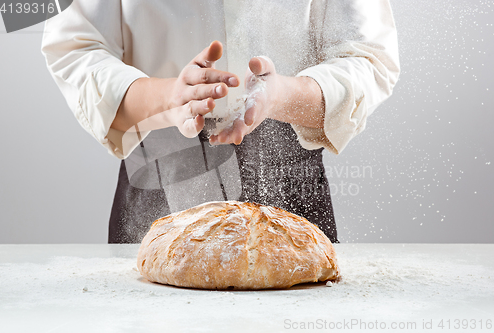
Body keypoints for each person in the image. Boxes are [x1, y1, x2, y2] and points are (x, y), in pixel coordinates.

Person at [41, 0, 400, 244]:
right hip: (158, 175)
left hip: (290, 180)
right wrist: (170, 98)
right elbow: (74, 46)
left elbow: (368, 57)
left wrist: (281, 96)